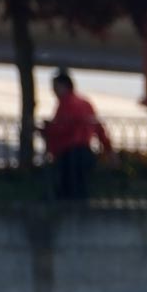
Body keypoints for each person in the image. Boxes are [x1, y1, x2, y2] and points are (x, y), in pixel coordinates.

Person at [40, 69, 111, 200]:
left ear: (63, 86)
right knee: (82, 189)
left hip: (69, 153)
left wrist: (46, 129)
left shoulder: (66, 104)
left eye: (55, 87)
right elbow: (98, 127)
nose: (54, 91)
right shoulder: (85, 103)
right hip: (85, 152)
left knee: (67, 190)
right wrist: (108, 148)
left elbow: (62, 128)